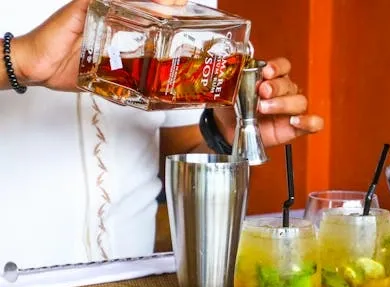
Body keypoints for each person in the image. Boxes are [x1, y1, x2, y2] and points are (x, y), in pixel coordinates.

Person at [0, 0, 324, 269]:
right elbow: (24, 59)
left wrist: (221, 136)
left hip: (132, 281)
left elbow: (176, 147)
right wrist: (18, 59)